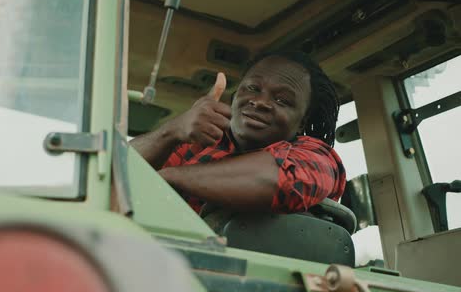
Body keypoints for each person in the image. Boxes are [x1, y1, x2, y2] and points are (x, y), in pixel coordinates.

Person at [130, 51, 346, 214]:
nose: (260, 102)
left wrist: (169, 176)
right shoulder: (199, 144)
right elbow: (111, 170)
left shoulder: (317, 156)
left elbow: (280, 181)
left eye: (282, 100)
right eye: (252, 88)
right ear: (235, 96)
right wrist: (172, 130)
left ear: (302, 123)